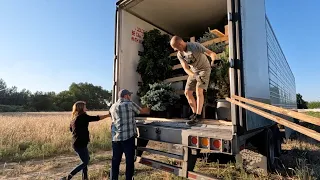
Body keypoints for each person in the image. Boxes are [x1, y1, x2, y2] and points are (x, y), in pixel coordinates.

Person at [170, 36, 218, 126]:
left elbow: (211, 53)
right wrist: (194, 75)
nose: (175, 50)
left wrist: (213, 61)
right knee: (187, 92)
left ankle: (198, 116)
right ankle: (195, 113)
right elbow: (185, 68)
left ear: (180, 44)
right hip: (194, 72)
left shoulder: (195, 46)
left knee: (199, 90)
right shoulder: (180, 54)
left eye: (175, 47)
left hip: (204, 69)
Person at [61, 101, 110, 180]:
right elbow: (96, 118)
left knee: (85, 160)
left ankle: (85, 177)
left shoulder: (75, 117)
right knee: (85, 162)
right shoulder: (83, 116)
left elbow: (71, 129)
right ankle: (68, 177)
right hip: (80, 143)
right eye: (84, 106)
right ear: (81, 108)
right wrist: (108, 115)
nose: (86, 107)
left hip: (77, 143)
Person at [109, 89, 150, 180]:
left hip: (116, 139)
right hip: (128, 138)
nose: (130, 97)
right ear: (126, 96)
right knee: (129, 161)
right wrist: (150, 106)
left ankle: (113, 178)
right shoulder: (130, 104)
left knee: (115, 161)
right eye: (129, 95)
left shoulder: (113, 106)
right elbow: (143, 111)